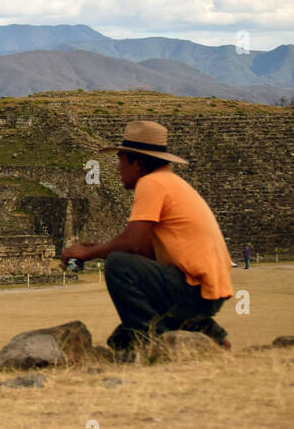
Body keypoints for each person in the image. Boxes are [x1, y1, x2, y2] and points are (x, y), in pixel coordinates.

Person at [62, 120, 233, 357]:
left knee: (118, 267)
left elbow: (131, 243)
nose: (118, 168)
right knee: (121, 339)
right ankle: (209, 335)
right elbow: (141, 249)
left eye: (121, 160)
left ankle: (158, 345)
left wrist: (88, 253)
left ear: (138, 164)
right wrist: (88, 249)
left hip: (194, 290)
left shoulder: (151, 184)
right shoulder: (168, 182)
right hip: (205, 292)